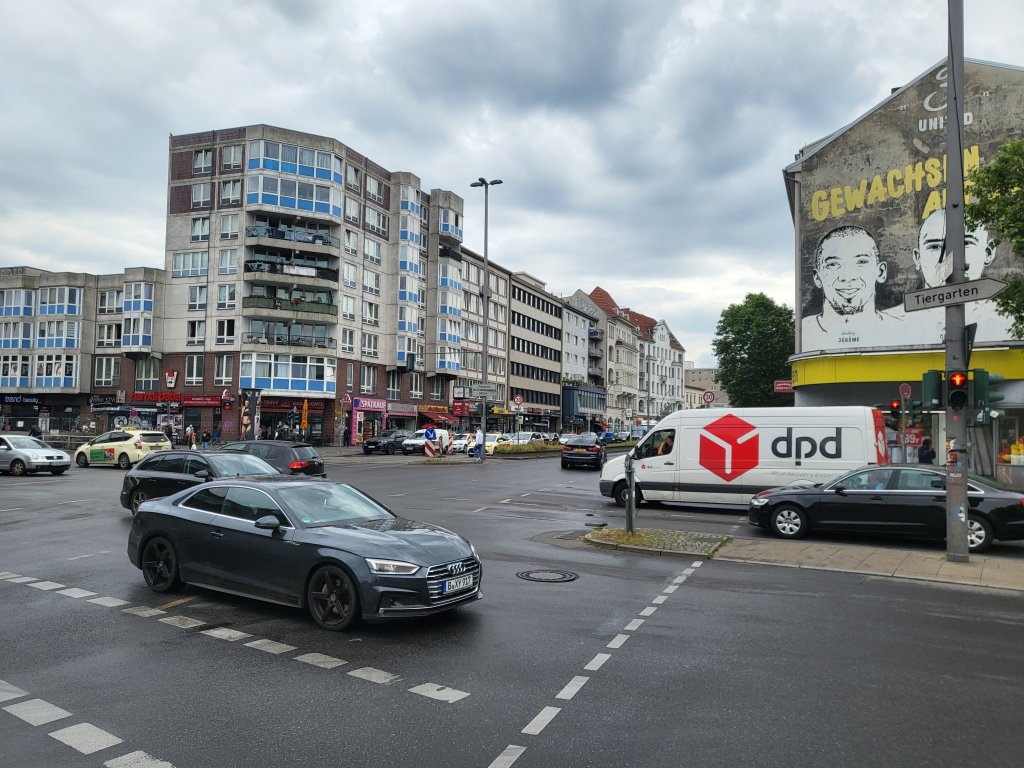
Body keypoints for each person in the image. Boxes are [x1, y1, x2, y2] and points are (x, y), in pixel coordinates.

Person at [801, 225, 903, 352]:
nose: (847, 276)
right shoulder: (804, 331)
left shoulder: (901, 329)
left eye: (861, 262)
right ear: (817, 277)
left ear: (881, 272)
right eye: (833, 264)